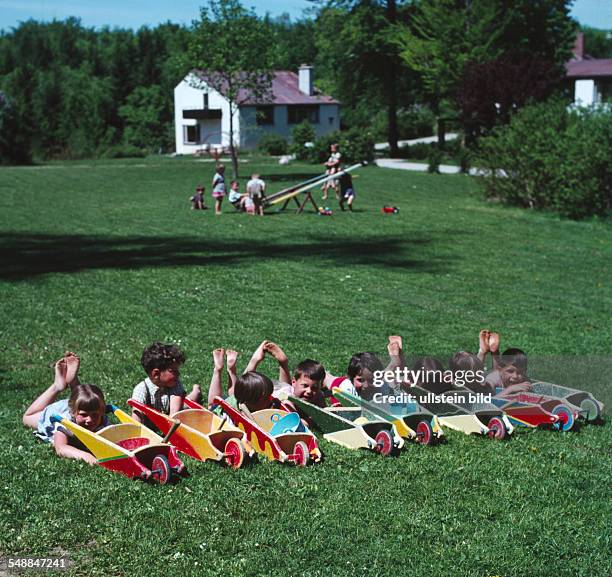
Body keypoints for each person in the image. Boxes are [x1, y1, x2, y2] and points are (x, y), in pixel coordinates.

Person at [22, 352, 107, 464]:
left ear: (102, 411)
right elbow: (61, 448)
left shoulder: (102, 420)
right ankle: (57, 385)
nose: (90, 420)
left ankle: (73, 382)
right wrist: (87, 456)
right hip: (55, 411)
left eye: (95, 415)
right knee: (27, 418)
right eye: (84, 415)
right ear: (72, 413)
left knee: (82, 400)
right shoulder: (64, 421)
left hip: (76, 405)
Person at [130, 342, 201, 423]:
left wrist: (170, 426)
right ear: (156, 374)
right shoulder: (141, 389)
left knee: (187, 404)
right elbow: (136, 419)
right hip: (151, 422)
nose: (178, 374)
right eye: (173, 371)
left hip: (173, 411)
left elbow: (174, 417)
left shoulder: (175, 383)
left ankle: (196, 391)